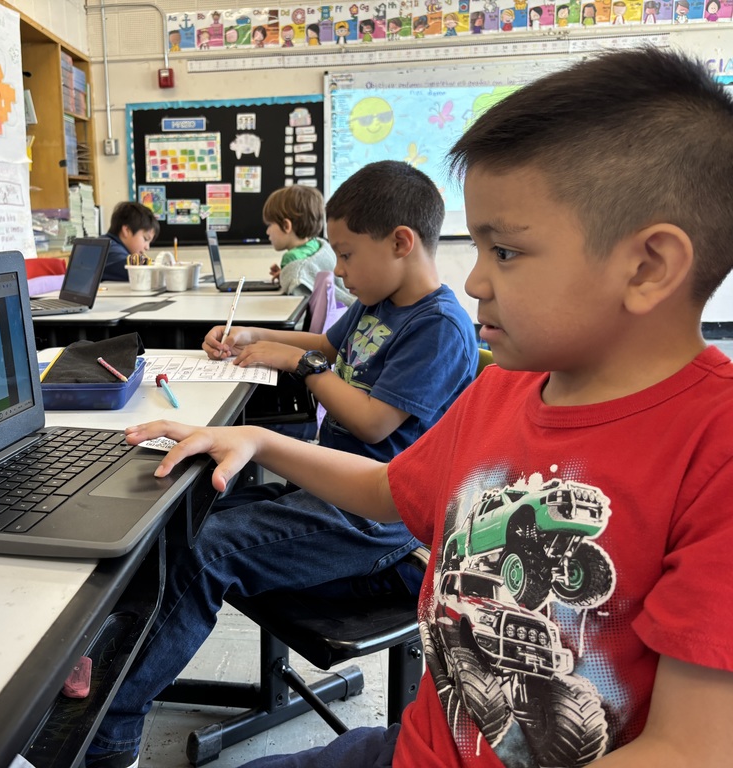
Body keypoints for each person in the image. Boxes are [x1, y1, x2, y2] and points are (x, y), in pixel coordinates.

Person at [125, 47, 733, 768]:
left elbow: (692, 750)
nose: (473, 280)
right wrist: (260, 439)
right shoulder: (507, 387)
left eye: (503, 251)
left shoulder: (713, 451)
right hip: (420, 745)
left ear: (648, 266)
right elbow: (391, 488)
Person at [85, 160, 479, 768]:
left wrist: (299, 366)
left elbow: (374, 420)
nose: (339, 270)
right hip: (326, 487)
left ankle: (111, 728)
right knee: (179, 516)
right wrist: (250, 337)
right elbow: (327, 345)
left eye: (346, 256)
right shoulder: (381, 301)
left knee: (206, 552)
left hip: (375, 520)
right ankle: (114, 663)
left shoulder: (440, 326)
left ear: (402, 242)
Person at [262, 184, 352, 305]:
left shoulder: (291, 259)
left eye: (270, 225)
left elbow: (294, 307)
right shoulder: (319, 245)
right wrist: (284, 273)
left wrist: (288, 272)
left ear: (286, 226)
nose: (267, 231)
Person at [102, 201, 159, 282]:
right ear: (127, 230)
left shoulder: (109, 243)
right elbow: (138, 271)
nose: (147, 247)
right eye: (145, 239)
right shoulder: (109, 249)